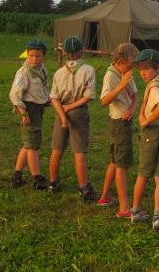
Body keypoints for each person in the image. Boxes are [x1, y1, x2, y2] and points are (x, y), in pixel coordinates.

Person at [129, 49, 159, 228]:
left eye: (147, 69)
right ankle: (158, 216)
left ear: (157, 67)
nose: (142, 72)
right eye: (140, 69)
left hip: (153, 132)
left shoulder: (155, 86)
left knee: (144, 173)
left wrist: (145, 120)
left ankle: (136, 210)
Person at [47, 35, 97, 201]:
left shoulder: (59, 72)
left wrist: (62, 113)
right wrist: (70, 108)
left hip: (60, 110)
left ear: (66, 53)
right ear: (81, 51)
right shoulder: (88, 70)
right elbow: (88, 96)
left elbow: (53, 97)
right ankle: (83, 187)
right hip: (79, 112)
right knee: (79, 151)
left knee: (57, 148)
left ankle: (52, 182)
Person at [97, 43, 139, 217]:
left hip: (125, 118)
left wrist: (132, 109)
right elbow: (104, 100)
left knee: (115, 161)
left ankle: (105, 197)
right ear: (120, 62)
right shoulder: (111, 76)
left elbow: (135, 96)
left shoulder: (126, 72)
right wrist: (122, 84)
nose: (132, 69)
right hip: (118, 123)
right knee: (121, 165)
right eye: (130, 65)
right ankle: (123, 208)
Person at [10, 39, 51, 190]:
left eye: (38, 56)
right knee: (33, 145)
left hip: (38, 109)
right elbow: (14, 94)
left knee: (28, 143)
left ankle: (17, 174)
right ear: (27, 55)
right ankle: (37, 178)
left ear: (44, 56)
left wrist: (47, 100)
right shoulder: (24, 72)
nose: (34, 59)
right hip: (28, 110)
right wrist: (23, 112)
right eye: (31, 55)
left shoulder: (42, 70)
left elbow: (42, 87)